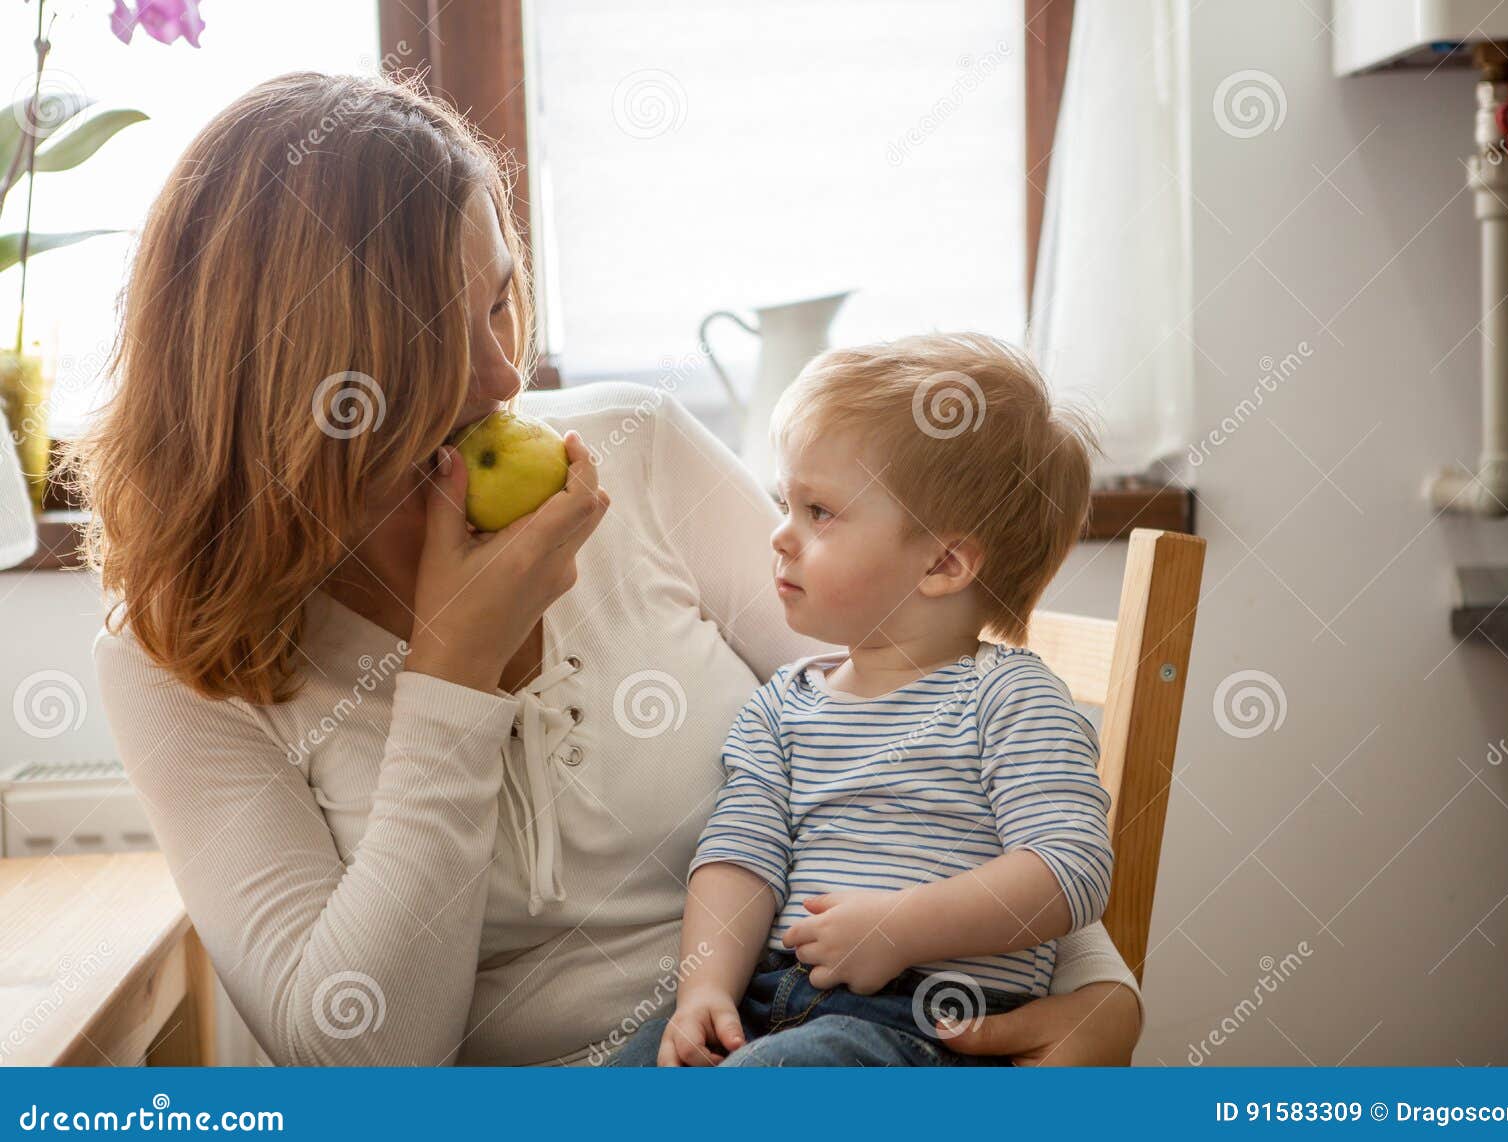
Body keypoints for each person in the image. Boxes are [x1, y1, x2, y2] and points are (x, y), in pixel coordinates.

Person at [75, 71, 1144, 1067]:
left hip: (830, 1032)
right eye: (437, 339)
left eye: (500, 302)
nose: (502, 373)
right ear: (295, 382)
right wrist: (454, 671)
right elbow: (359, 1057)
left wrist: (1099, 994)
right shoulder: (177, 650)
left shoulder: (637, 448)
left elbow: (921, 734)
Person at [615, 335, 1113, 1067]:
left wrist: (903, 928)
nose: (780, 535)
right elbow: (740, 857)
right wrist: (704, 989)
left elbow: (1069, 867)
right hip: (768, 1002)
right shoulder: (781, 706)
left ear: (943, 562)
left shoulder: (1010, 696)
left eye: (819, 511)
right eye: (787, 501)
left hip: (925, 1027)